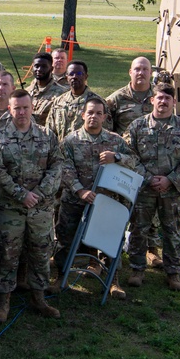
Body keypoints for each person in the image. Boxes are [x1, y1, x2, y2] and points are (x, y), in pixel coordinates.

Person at [0, 89, 64, 321]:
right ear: (9, 109)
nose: (21, 112)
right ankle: (4, 300)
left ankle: (38, 297)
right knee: (7, 254)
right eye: (17, 108)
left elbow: (57, 166)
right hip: (11, 210)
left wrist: (38, 194)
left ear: (32, 108)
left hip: (40, 209)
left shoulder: (47, 136)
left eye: (25, 107)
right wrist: (22, 195)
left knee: (41, 253)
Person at [58, 97, 136, 299]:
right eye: (90, 112)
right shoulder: (70, 140)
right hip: (75, 201)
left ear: (105, 117)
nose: (93, 117)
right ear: (83, 115)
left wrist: (117, 158)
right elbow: (64, 169)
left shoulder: (115, 141)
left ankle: (113, 281)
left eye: (98, 113)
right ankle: (61, 277)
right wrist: (79, 190)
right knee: (65, 239)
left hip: (106, 203)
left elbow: (134, 161)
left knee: (110, 240)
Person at [123, 84, 180, 291]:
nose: (163, 102)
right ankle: (137, 269)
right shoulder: (137, 127)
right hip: (144, 189)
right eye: (159, 98)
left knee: (172, 230)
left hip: (172, 190)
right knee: (139, 229)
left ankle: (173, 272)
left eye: (168, 98)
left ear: (174, 102)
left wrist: (169, 179)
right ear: (152, 100)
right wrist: (147, 178)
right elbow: (129, 156)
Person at [105, 56, 161, 267]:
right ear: (130, 72)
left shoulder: (157, 96)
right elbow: (106, 127)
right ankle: (111, 253)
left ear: (150, 73)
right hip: (125, 163)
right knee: (122, 207)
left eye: (145, 69)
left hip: (152, 161)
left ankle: (152, 249)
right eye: (137, 69)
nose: (141, 73)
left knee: (150, 208)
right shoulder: (117, 98)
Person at [45, 60, 104, 139]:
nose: (75, 77)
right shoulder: (59, 102)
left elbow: (105, 133)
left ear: (86, 76)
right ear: (67, 77)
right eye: (71, 74)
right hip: (61, 149)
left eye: (79, 74)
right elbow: (49, 130)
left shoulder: (98, 102)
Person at [28, 52, 68, 126]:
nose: (39, 69)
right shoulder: (27, 92)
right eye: (36, 66)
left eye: (44, 66)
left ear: (51, 69)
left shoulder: (62, 94)